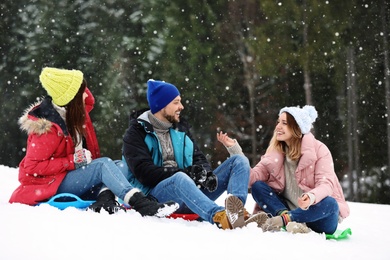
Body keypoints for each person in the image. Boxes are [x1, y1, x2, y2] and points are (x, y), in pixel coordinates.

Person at [9, 67, 178, 218]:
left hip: (65, 178)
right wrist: (71, 161)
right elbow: (31, 169)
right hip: (50, 184)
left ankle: (104, 199)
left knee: (119, 165)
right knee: (103, 165)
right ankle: (142, 203)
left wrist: (77, 85)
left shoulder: (76, 115)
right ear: (72, 98)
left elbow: (89, 100)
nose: (86, 94)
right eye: (81, 91)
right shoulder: (47, 129)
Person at [122, 79, 264, 230]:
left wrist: (206, 174)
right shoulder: (136, 133)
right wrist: (185, 172)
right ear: (161, 105)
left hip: (191, 193)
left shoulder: (180, 129)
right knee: (179, 178)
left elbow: (198, 157)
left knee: (239, 161)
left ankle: (236, 213)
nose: (181, 107)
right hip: (156, 198)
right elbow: (144, 173)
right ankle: (219, 216)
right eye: (176, 102)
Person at [217, 105, 350, 234]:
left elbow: (326, 185)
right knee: (258, 187)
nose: (278, 127)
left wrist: (311, 197)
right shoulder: (275, 153)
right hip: (286, 210)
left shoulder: (320, 150)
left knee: (331, 203)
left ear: (297, 127)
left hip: (317, 216)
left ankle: (286, 219)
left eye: (284, 123)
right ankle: (286, 217)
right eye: (278, 122)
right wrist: (236, 151)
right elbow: (251, 179)